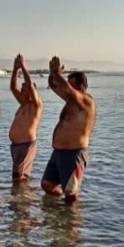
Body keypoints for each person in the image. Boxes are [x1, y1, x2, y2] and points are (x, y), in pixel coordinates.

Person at [41, 57, 96, 204]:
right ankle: (59, 212)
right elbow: (55, 86)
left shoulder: (86, 102)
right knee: (47, 184)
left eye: (71, 85)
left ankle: (72, 221)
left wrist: (56, 74)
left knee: (71, 196)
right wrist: (52, 74)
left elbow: (65, 89)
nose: (67, 88)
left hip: (74, 153)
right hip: (58, 153)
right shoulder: (71, 102)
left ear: (82, 87)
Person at [8, 54, 42, 181]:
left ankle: (22, 199)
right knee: (21, 178)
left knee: (18, 177)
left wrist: (23, 67)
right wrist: (15, 69)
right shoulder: (23, 104)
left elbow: (30, 85)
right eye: (21, 89)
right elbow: (12, 87)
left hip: (26, 145)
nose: (21, 91)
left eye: (24, 89)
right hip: (16, 146)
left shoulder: (36, 105)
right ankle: (24, 199)